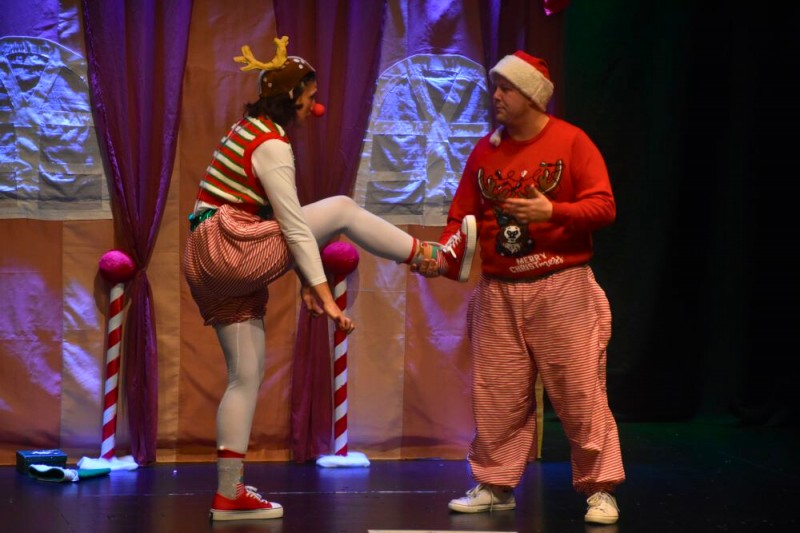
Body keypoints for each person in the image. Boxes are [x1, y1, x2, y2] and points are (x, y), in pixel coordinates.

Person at [182, 36, 477, 522]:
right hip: (230, 246)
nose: (314, 106)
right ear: (292, 97)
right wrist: (323, 293)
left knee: (244, 376)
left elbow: (284, 230)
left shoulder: (246, 127)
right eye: (310, 96)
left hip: (206, 258)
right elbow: (295, 226)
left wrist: (304, 279)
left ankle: (228, 493)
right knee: (340, 208)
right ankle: (435, 258)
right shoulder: (271, 144)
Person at [418, 50, 625, 525]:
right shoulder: (485, 151)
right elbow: (461, 218)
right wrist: (443, 257)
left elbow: (604, 206)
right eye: (495, 87)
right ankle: (495, 484)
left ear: (532, 94)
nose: (496, 96)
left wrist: (554, 211)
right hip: (499, 290)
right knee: (497, 394)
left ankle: (601, 489)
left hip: (562, 286)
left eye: (506, 88)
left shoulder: (572, 142)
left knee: (580, 393)